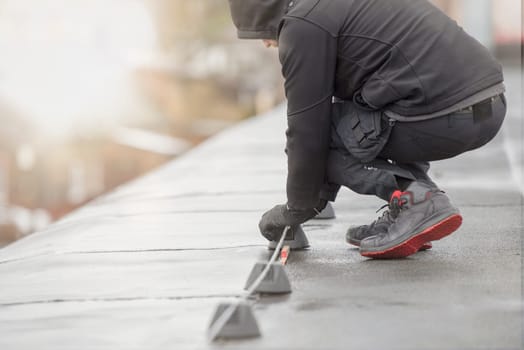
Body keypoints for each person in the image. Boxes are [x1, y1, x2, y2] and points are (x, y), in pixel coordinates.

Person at [228, 0, 506, 259]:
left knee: (325, 131)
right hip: (489, 106)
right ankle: (418, 203)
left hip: (444, 115)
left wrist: (295, 210)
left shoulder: (303, 25)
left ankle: (416, 200)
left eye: (257, 31)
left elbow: (307, 131)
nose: (265, 43)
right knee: (365, 115)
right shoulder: (335, 9)